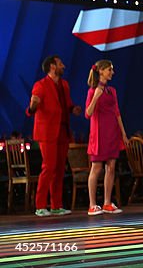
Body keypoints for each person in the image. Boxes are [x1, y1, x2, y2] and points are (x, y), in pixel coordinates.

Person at [26, 55, 81, 216]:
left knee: (59, 169)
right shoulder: (40, 85)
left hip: (62, 131)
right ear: (52, 66)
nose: (63, 66)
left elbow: (67, 104)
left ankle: (56, 205)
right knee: (49, 167)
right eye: (60, 64)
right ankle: (40, 205)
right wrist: (32, 106)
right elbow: (31, 110)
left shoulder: (64, 85)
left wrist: (73, 109)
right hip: (47, 132)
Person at [84, 60, 128, 215]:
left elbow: (117, 113)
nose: (112, 72)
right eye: (110, 69)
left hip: (112, 133)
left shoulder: (112, 91)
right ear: (101, 71)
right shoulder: (92, 91)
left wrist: (123, 133)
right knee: (96, 168)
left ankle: (107, 202)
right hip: (99, 134)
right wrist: (96, 97)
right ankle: (92, 205)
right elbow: (88, 113)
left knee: (111, 167)